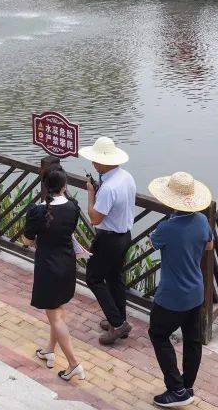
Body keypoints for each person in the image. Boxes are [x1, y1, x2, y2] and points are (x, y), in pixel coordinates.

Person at [145, 172, 214, 408]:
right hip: (196, 291)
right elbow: (210, 244)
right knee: (192, 339)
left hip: (172, 295)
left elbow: (152, 241)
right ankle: (187, 385)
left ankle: (176, 389)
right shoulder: (202, 221)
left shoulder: (167, 228)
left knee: (158, 334)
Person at [22, 159, 85, 382]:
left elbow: (27, 241)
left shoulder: (37, 211)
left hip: (48, 267)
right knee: (57, 311)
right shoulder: (73, 206)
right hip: (67, 264)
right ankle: (50, 350)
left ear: (45, 186)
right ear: (65, 186)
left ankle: (74, 363)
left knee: (55, 316)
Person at [80, 136, 137, 345]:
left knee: (93, 278)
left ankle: (117, 323)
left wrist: (91, 194)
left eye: (95, 160)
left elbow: (95, 218)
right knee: (114, 277)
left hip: (109, 238)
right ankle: (119, 318)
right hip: (124, 235)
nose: (93, 164)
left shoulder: (110, 187)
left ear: (105, 161)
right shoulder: (126, 177)